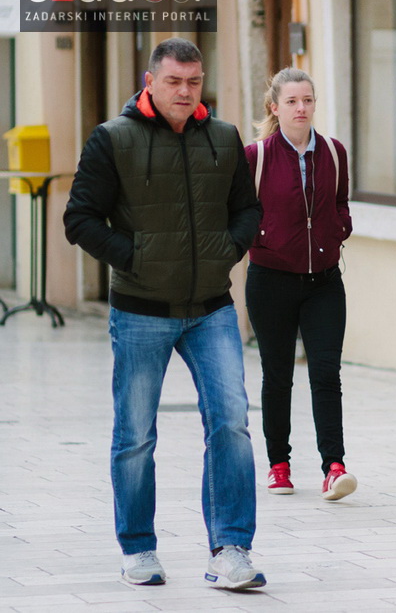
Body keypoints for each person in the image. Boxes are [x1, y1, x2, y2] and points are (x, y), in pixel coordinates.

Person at [64, 38, 266, 590]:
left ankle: (231, 550)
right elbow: (79, 218)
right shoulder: (113, 139)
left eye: (194, 81)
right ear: (151, 81)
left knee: (231, 423)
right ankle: (138, 548)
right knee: (135, 434)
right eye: (175, 81)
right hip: (140, 310)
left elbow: (248, 209)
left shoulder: (224, 139)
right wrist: (137, 259)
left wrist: (228, 250)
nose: (185, 91)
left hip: (211, 308)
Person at [243, 68, 356, 501]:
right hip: (270, 280)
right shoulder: (257, 156)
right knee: (278, 375)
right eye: (291, 101)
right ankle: (278, 464)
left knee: (326, 373)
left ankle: (334, 466)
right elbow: (241, 210)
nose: (301, 108)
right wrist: (263, 238)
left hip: (324, 281)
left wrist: (338, 229)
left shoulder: (333, 151)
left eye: (307, 100)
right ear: (275, 107)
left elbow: (341, 200)